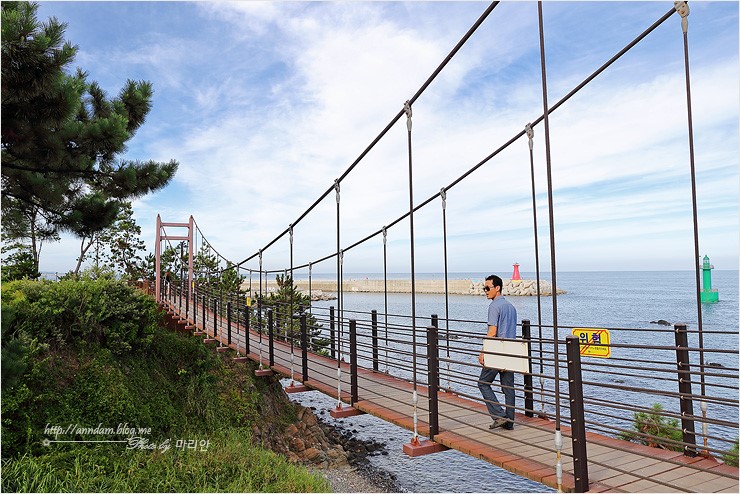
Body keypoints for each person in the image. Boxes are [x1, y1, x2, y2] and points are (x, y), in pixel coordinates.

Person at [478, 274, 517, 430]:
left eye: (488, 288)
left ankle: (499, 416)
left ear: (497, 288)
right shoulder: (511, 307)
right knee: (508, 387)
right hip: (511, 350)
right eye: (484, 288)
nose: (485, 291)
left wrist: (483, 352)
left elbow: (492, 332)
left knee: (483, 383)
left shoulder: (494, 306)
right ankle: (509, 423)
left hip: (497, 351)